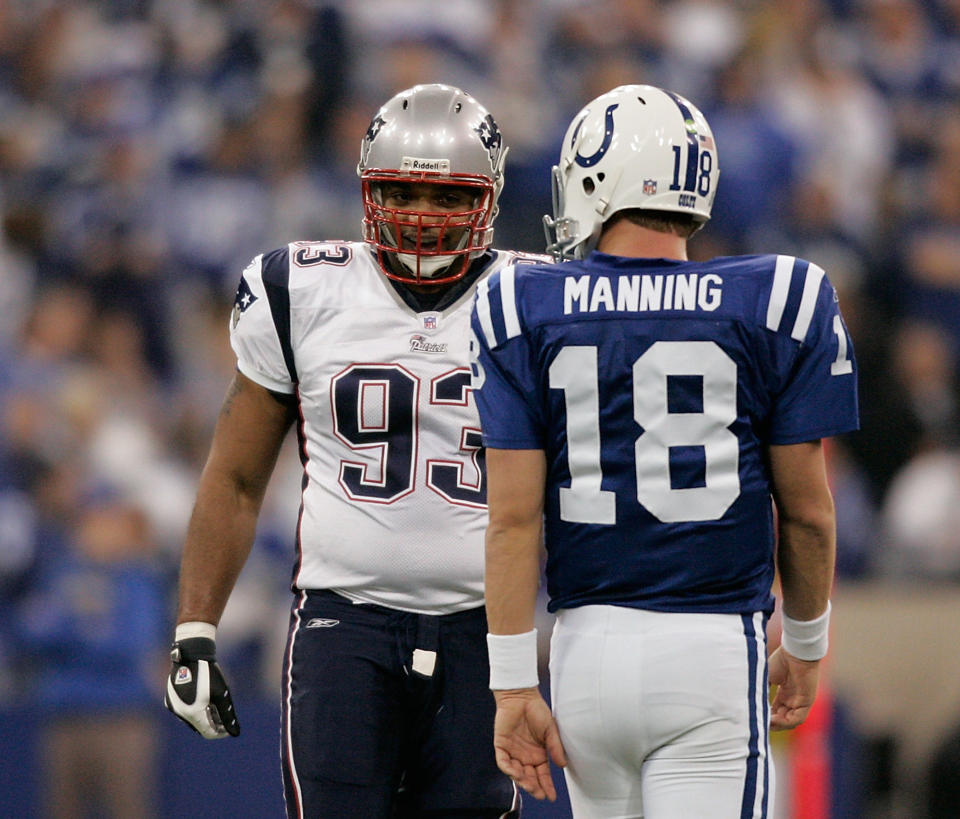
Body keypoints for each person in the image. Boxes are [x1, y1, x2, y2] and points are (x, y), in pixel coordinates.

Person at [470, 84, 860, 817]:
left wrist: (514, 683)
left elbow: (512, 520)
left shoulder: (522, 304)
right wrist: (806, 643)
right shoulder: (776, 298)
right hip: (709, 654)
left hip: (585, 655)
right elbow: (808, 514)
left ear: (600, 178)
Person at [163, 83, 549, 818]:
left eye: (447, 197)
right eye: (402, 190)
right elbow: (238, 477)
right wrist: (195, 631)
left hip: (486, 629)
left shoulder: (538, 299)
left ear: (491, 198)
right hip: (346, 625)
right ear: (368, 188)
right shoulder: (302, 288)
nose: (422, 215)